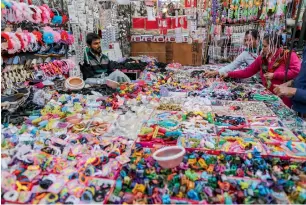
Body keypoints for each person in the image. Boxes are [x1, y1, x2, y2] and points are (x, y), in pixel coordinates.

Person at [222, 33, 301, 107]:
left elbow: (296, 72)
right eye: (262, 46)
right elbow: (247, 71)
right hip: (266, 96)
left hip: (283, 98)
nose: (262, 49)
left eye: (265, 46)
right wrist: (229, 74)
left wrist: (275, 75)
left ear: (274, 45)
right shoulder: (262, 58)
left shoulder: (287, 55)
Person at [274, 47, 306, 116]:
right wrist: (289, 83)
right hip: (297, 109)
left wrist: (293, 91)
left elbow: (295, 71)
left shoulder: (290, 54)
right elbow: (302, 76)